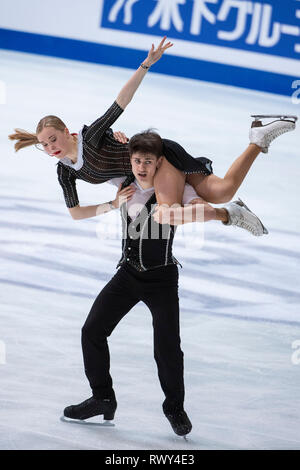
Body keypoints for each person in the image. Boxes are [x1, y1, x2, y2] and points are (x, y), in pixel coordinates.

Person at [62, 130, 268, 437]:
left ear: (159, 163)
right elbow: (91, 166)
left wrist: (210, 212)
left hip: (161, 279)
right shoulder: (123, 183)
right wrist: (72, 151)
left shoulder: (178, 190)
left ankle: (175, 408)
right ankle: (102, 397)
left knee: (168, 348)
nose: (141, 167)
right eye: (136, 161)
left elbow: (195, 207)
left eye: (147, 161)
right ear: (129, 161)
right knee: (92, 331)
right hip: (128, 274)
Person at [8, 37, 296, 219]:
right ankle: (257, 138)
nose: (50, 148)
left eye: (52, 139)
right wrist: (112, 203)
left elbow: (120, 103)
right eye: (43, 145)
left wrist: (145, 65)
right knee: (222, 190)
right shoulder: (65, 171)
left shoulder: (91, 137)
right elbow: (75, 213)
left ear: (65, 131)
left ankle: (227, 216)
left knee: (169, 215)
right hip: (145, 176)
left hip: (156, 158)